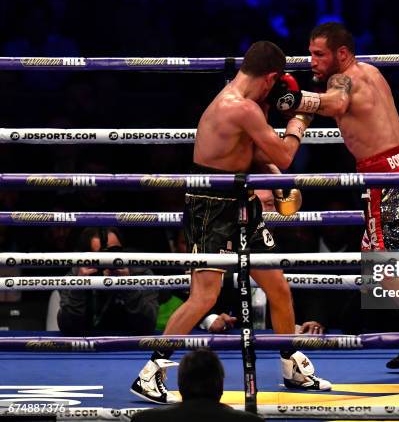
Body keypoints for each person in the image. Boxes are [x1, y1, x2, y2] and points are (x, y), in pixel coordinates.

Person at [266, 22, 399, 388]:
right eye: (311, 53)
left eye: (319, 54)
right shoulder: (370, 72)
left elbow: (337, 102)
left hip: (387, 180)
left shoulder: (342, 81)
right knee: (377, 258)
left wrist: (298, 102)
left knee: (386, 268)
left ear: (342, 54)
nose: (311, 61)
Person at [131, 41, 331, 405]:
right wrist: (300, 119)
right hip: (211, 205)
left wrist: (268, 176)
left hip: (241, 200)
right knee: (204, 296)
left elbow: (251, 152)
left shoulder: (241, 102)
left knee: (279, 288)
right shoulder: (239, 107)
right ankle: (151, 371)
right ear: (270, 78)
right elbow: (286, 155)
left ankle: (290, 365)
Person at [57, 227, 159, 335]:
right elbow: (67, 328)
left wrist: (129, 286)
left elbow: (147, 326)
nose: (110, 260)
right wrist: (79, 287)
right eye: (102, 255)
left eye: (115, 251)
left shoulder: (140, 272)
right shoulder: (77, 274)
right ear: (87, 258)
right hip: (87, 345)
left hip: (131, 344)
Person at [131, 348, 264, 421]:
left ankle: (286, 356)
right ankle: (150, 372)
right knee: (204, 298)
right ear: (221, 384)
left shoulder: (144, 420)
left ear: (180, 384)